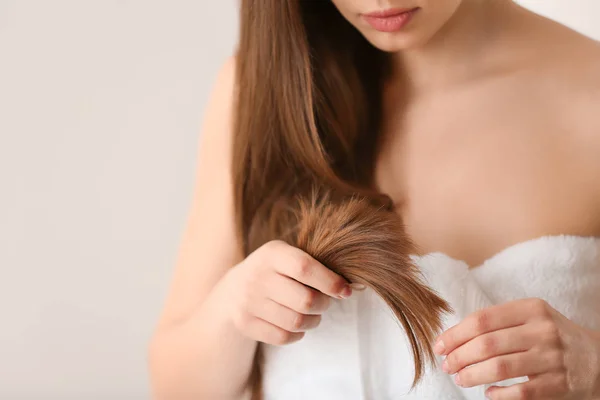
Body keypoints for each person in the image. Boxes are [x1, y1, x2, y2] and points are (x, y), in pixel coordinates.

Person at [148, 1, 600, 399]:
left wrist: (592, 365)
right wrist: (234, 310)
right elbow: (173, 385)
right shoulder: (265, 90)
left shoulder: (589, 91)